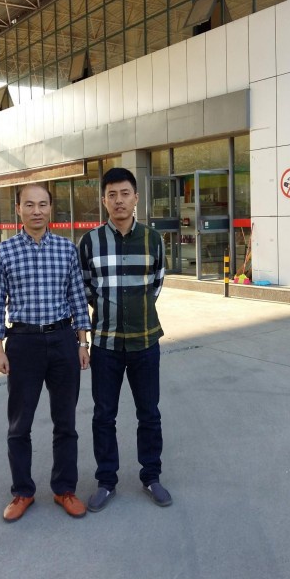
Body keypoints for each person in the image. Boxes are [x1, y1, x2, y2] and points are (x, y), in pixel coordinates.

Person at [0, 183, 91, 522]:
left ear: (50, 208)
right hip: (23, 343)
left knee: (66, 421)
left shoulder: (66, 249)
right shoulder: (4, 251)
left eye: (42, 204)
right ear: (19, 209)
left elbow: (77, 297)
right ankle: (22, 492)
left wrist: (82, 342)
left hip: (62, 340)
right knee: (20, 423)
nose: (36, 211)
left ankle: (64, 489)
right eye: (29, 205)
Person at [79, 167, 172, 512]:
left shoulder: (153, 239)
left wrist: (136, 309)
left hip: (145, 342)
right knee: (104, 416)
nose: (119, 201)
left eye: (125, 194)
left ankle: (151, 476)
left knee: (149, 413)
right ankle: (106, 481)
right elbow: (86, 288)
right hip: (105, 344)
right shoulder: (89, 242)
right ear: (104, 200)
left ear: (136, 198)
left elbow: (156, 283)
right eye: (112, 195)